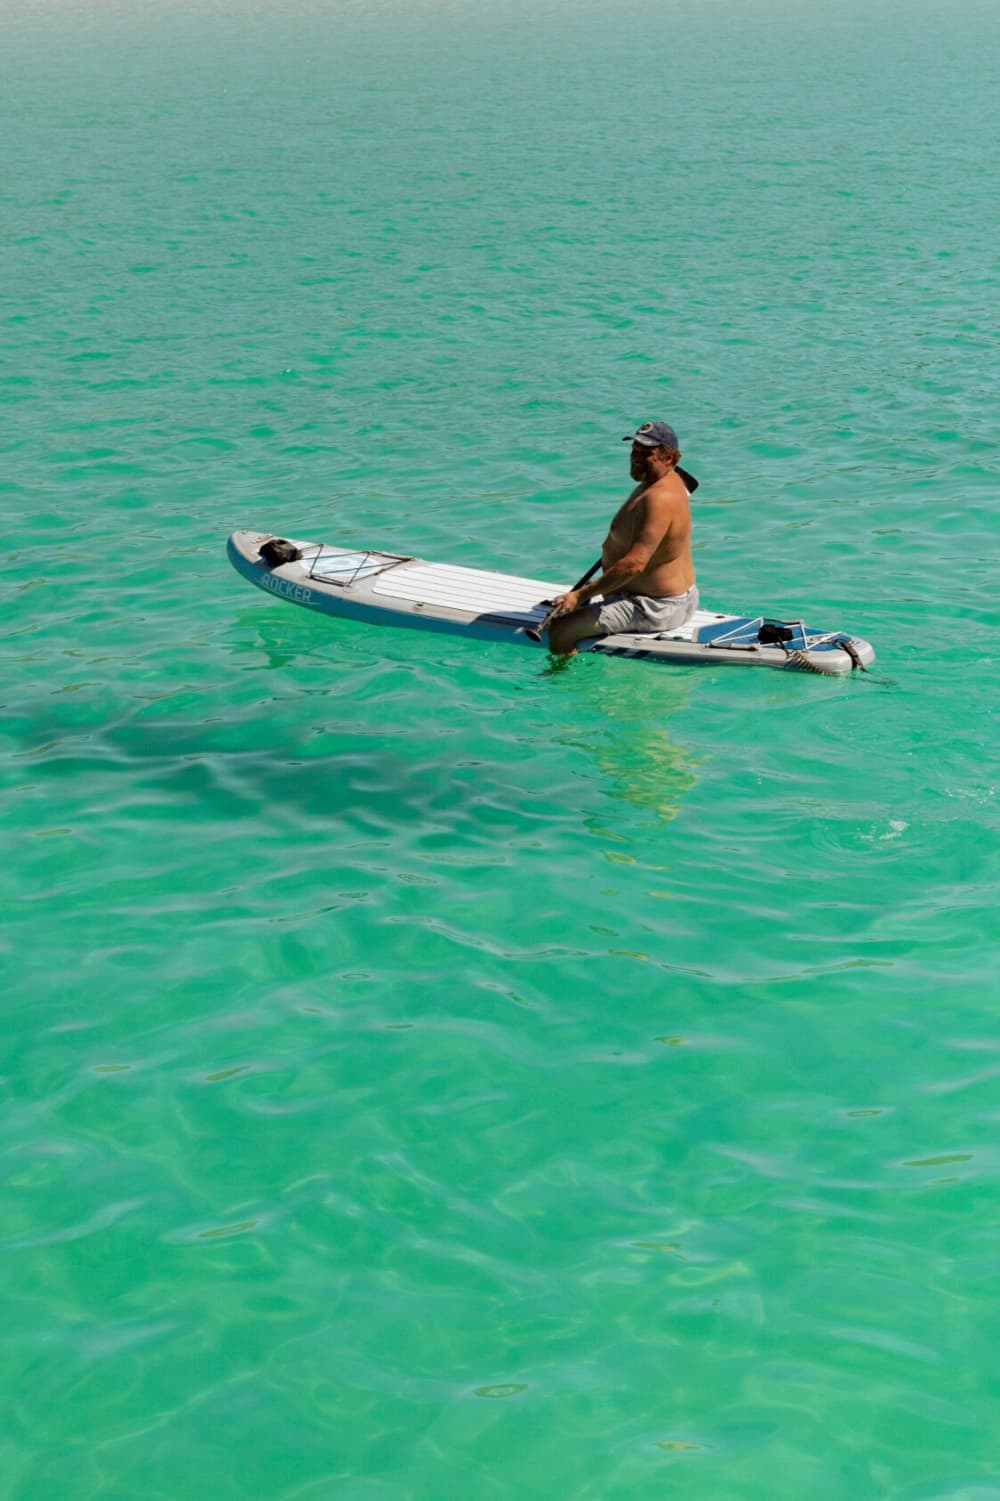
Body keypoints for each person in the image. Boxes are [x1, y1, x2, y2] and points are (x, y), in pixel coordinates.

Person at [548, 421, 700, 655]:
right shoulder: (661, 481)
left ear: (668, 459)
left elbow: (634, 565)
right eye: (634, 450)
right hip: (664, 596)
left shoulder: (659, 498)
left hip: (654, 606)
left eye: (646, 453)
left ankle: (561, 683)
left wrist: (579, 596)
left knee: (560, 630)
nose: (636, 457)